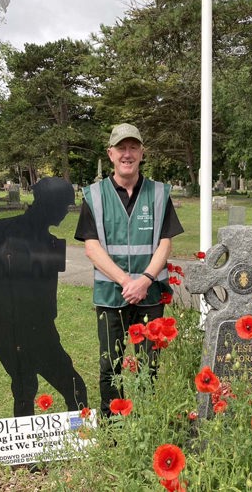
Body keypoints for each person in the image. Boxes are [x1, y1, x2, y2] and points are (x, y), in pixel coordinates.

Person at [75, 123, 183, 417]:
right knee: (110, 364)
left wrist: (145, 280)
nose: (127, 154)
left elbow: (165, 244)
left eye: (133, 147)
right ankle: (113, 428)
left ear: (141, 153)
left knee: (150, 364)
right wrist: (127, 281)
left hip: (150, 295)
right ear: (110, 154)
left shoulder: (159, 194)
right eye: (121, 148)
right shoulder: (94, 196)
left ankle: (146, 421)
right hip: (111, 296)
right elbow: (91, 247)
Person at [0, 177, 88, 417]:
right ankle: (37, 442)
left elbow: (47, 298)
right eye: (64, 206)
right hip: (9, 328)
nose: (66, 213)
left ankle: (79, 436)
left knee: (33, 387)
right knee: (39, 386)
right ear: (49, 204)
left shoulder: (51, 243)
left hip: (33, 328)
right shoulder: (0, 231)